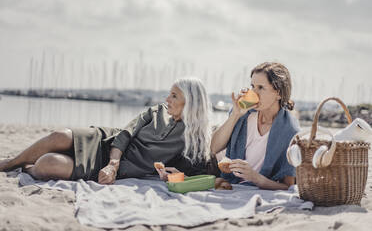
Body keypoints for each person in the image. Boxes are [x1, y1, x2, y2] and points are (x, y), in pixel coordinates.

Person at [0, 77, 218, 184]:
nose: (166, 99)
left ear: (190, 102)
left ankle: (26, 167)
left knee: (48, 163)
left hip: (121, 168)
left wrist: (173, 176)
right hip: (107, 144)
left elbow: (195, 172)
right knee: (59, 136)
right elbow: (126, 133)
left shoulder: (192, 138)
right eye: (169, 93)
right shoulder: (156, 111)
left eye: (173, 96)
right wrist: (112, 164)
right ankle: (9, 164)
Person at [211, 62, 300, 190]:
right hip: (231, 184)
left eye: (260, 88)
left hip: (256, 190)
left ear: (278, 93)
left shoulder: (290, 131)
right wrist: (235, 115)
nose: (254, 93)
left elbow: (287, 186)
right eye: (252, 86)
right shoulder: (244, 115)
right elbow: (214, 147)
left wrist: (255, 177)